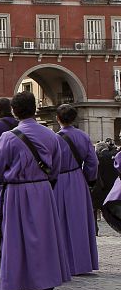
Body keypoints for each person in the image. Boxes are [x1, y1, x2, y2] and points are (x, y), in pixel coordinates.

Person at [0, 91, 71, 290]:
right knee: (43, 236)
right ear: (35, 109)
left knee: (13, 238)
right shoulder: (51, 136)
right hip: (43, 190)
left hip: (16, 191)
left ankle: (11, 283)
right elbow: (56, 168)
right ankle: (44, 281)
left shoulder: (8, 138)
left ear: (14, 111)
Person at [53, 104, 98, 275]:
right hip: (78, 179)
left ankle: (63, 261)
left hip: (60, 179)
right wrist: (88, 179)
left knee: (61, 221)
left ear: (58, 118)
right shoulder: (84, 136)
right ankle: (82, 262)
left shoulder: (55, 138)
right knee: (79, 222)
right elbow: (92, 162)